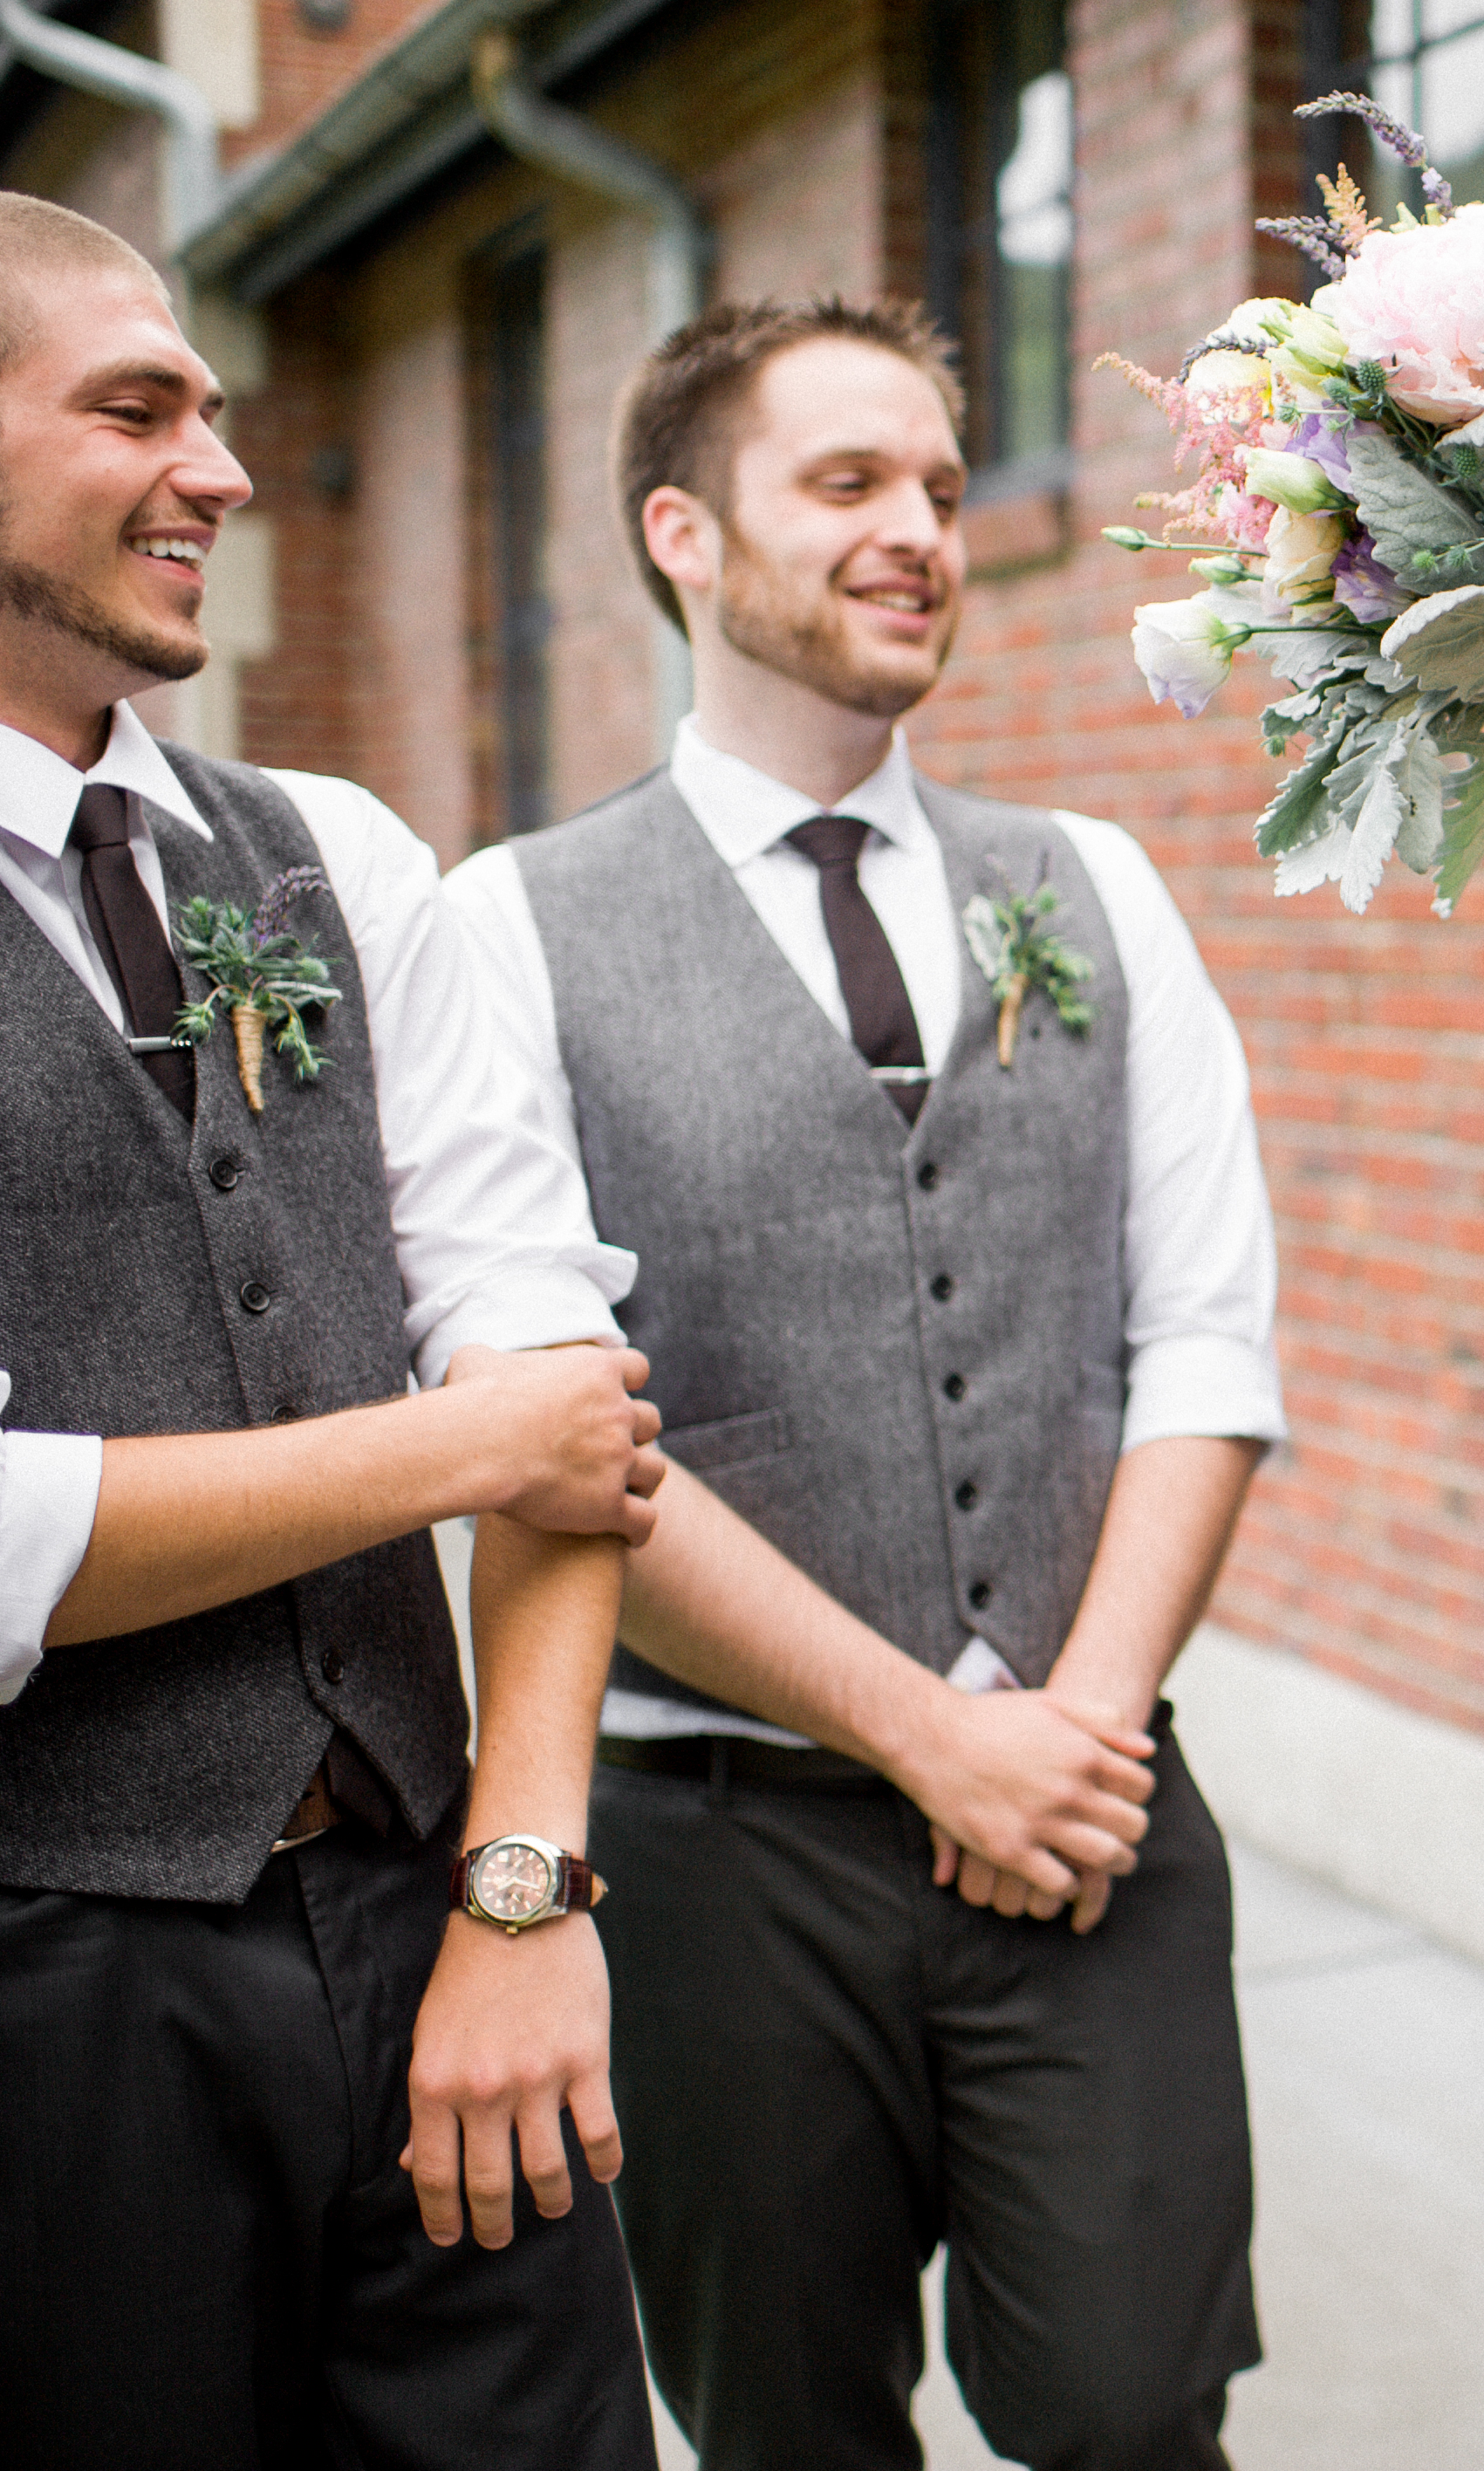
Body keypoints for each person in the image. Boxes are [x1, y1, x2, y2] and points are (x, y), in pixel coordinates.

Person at [441, 298, 1285, 2471]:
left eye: (934, 481)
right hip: (718, 1857)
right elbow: (558, 1427)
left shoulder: (1088, 884)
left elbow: (1200, 1339)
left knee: (1135, 2413)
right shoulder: (511, 925)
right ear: (683, 532)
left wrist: (1070, 1731)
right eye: (848, 485)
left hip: (1091, 1812)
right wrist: (934, 1744)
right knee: (787, 2430)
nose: (919, 526)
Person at [0, 195, 669, 2467]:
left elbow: (557, 1356)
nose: (220, 466)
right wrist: (462, 1449)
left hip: (432, 1916)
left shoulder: (338, 860)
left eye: (211, 403)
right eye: (135, 407)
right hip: (51, 1995)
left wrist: (524, 1885)